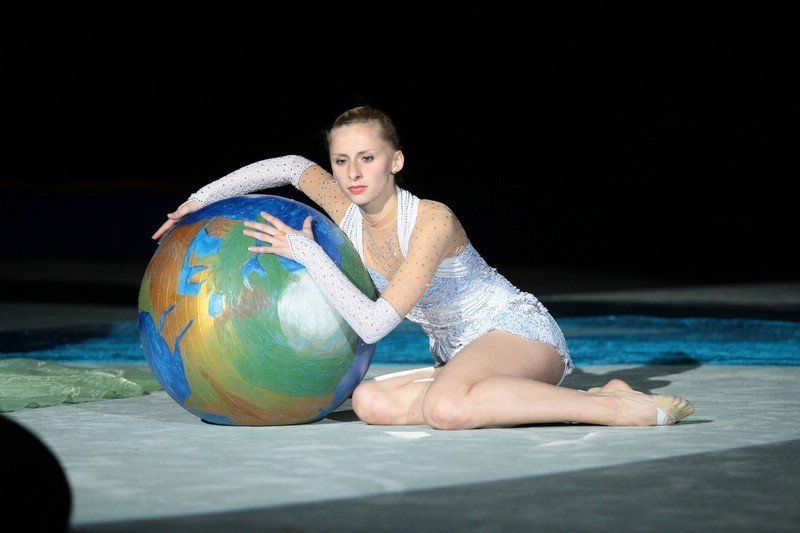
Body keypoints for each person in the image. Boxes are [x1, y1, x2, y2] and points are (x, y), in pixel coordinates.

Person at [151, 105, 694, 429]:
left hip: (515, 333)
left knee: (447, 410)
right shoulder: (345, 207)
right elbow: (291, 167)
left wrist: (306, 252)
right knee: (370, 402)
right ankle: (560, 396)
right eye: (341, 160)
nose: (352, 173)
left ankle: (614, 408)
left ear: (396, 161)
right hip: (459, 352)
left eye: (367, 158)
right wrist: (198, 200)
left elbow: (373, 325)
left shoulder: (432, 220)